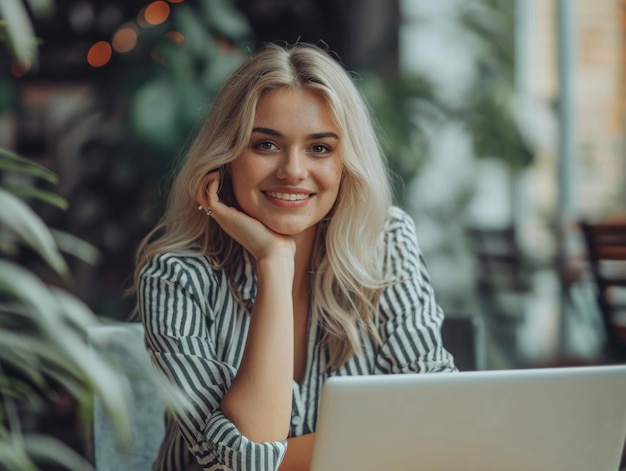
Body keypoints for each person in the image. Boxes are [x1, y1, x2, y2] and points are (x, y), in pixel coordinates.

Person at [133, 42, 457, 471]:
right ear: (228, 157)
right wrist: (274, 262)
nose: (293, 171)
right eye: (266, 145)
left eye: (320, 148)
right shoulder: (176, 278)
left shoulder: (386, 241)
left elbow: (441, 415)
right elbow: (241, 461)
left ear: (347, 163)